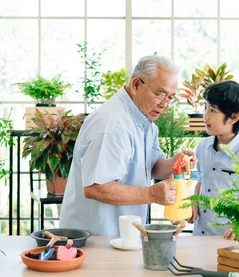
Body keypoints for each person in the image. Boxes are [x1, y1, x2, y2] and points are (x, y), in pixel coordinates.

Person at [59, 55, 197, 237]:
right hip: (96, 238)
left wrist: (174, 163)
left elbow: (153, 166)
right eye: (159, 94)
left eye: (170, 97)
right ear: (136, 85)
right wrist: (151, 195)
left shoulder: (145, 122)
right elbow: (96, 187)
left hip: (121, 235)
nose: (164, 104)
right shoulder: (112, 125)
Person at [187, 80, 239, 241]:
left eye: (213, 110)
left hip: (230, 241)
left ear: (234, 117)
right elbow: (201, 181)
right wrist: (194, 204)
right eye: (205, 107)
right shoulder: (202, 147)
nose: (205, 116)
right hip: (200, 236)